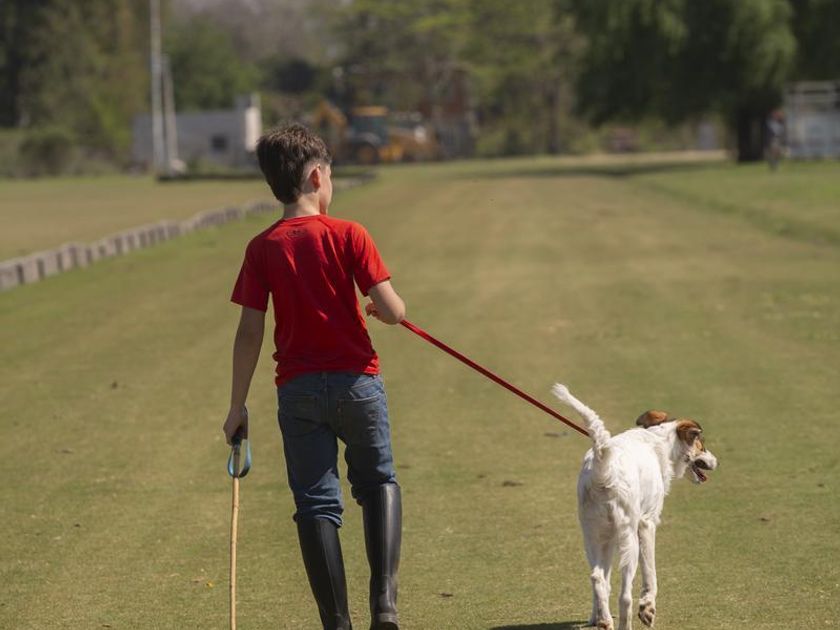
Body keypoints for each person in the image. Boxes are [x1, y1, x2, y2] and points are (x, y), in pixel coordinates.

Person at [222, 123, 406, 630]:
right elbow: (394, 311)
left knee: (316, 503)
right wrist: (382, 310)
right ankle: (384, 606)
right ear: (318, 176)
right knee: (377, 481)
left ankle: (337, 622)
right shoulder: (350, 234)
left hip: (298, 391)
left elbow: (249, 333)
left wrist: (237, 407)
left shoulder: (262, 247)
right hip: (358, 384)